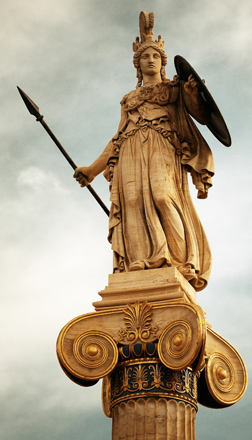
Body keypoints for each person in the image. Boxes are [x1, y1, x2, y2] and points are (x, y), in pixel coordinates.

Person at [74, 12, 215, 291]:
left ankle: (180, 261)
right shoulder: (130, 99)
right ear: (137, 65)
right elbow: (117, 138)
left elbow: (201, 114)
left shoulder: (173, 90)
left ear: (162, 63)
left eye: (155, 57)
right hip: (130, 151)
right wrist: (93, 169)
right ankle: (139, 259)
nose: (150, 60)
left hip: (163, 147)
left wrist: (193, 93)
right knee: (133, 201)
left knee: (164, 197)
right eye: (144, 57)